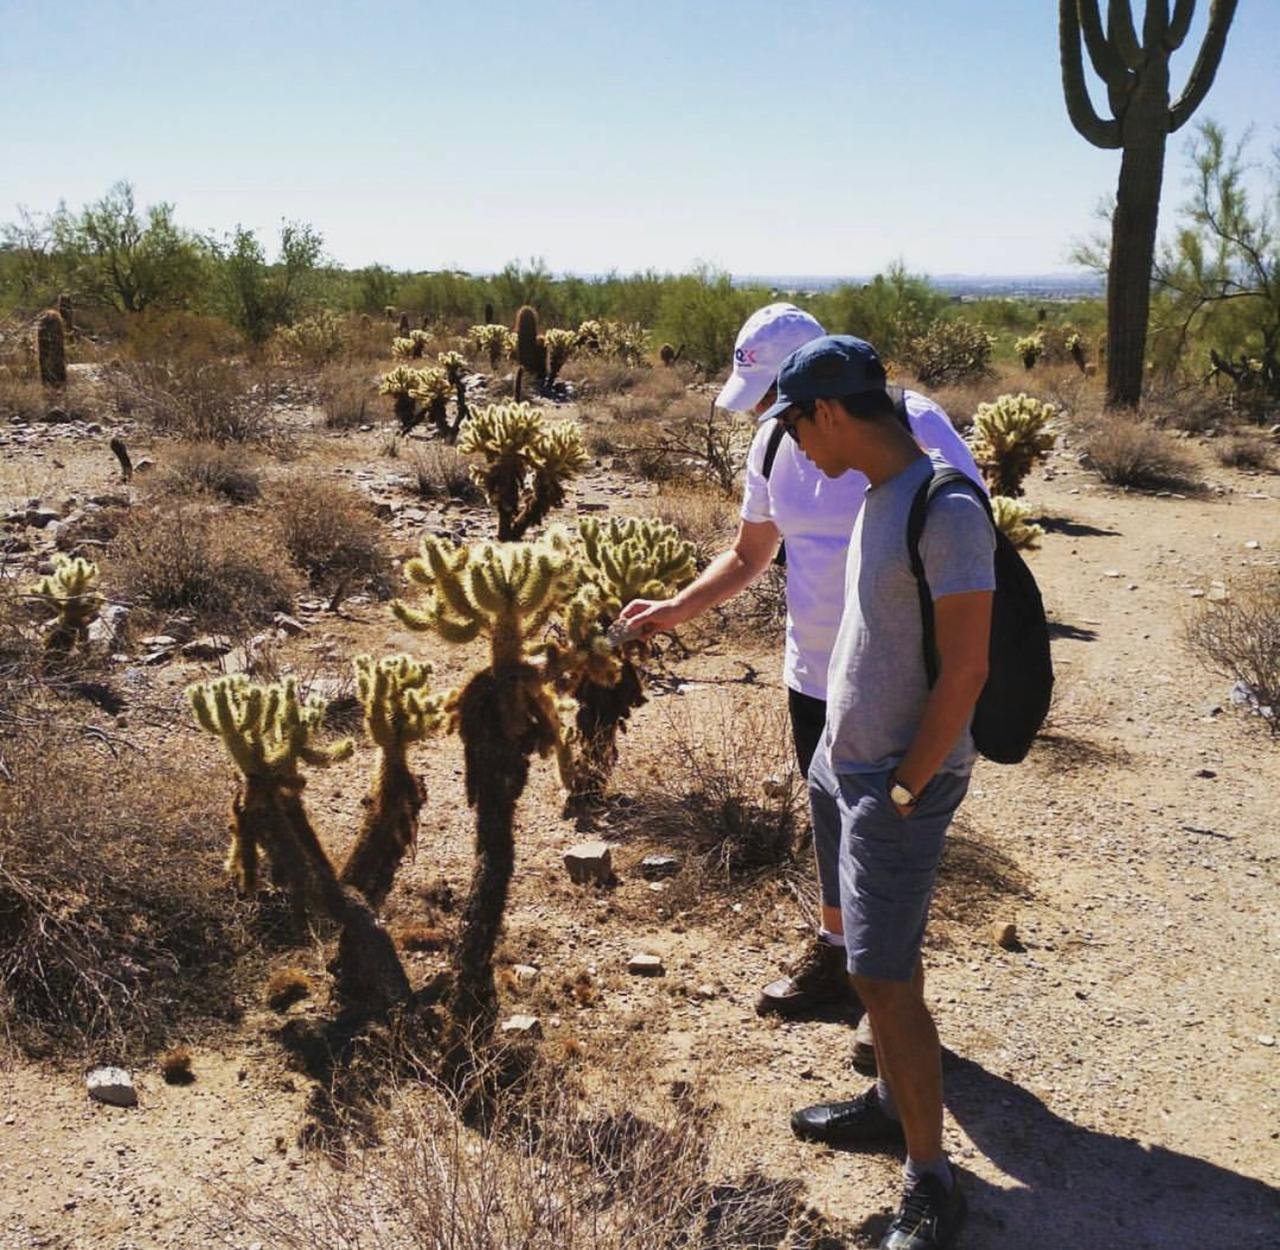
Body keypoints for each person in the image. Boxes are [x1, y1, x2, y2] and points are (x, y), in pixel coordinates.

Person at [620, 304, 982, 1064]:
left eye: (770, 393)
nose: (759, 411)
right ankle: (838, 959)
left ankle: (888, 1000)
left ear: (820, 390)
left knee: (889, 843)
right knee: (832, 829)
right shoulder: (773, 444)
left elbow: (972, 547)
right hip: (814, 672)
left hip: (896, 685)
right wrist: (677, 608)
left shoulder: (915, 428)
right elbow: (752, 554)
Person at [766, 335, 993, 1250]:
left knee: (879, 974)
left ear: (829, 412)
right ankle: (893, 1102)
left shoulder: (946, 506)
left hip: (897, 780)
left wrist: (902, 788)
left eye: (794, 426)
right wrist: (837, 759)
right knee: (884, 955)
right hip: (847, 761)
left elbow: (968, 668)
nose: (796, 449)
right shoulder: (878, 495)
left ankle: (932, 1179)